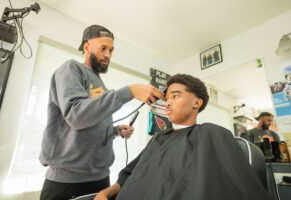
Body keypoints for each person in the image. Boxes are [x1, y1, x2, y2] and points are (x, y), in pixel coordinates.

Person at [95, 74, 271, 200]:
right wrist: (105, 193)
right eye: (167, 98)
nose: (168, 102)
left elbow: (235, 186)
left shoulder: (211, 134)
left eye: (175, 96)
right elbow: (130, 174)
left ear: (197, 102)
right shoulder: (158, 138)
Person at [39, 25, 163, 200]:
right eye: (103, 48)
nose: (108, 55)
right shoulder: (70, 69)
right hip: (67, 182)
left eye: (111, 50)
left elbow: (93, 123)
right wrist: (130, 91)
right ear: (87, 46)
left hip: (100, 179)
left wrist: (115, 131)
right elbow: (76, 116)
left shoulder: (101, 85)